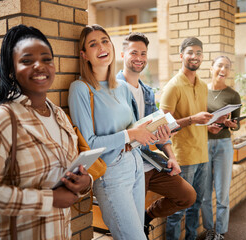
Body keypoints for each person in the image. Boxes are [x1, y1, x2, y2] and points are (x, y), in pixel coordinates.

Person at [0, 25, 92, 239]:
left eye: (46, 59)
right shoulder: (1, 120)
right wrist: (48, 199)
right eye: (26, 60)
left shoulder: (59, 115)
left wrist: (85, 183)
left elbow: (64, 175)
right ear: (11, 70)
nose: (39, 66)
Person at [68, 25, 157, 240]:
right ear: (84, 55)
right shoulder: (81, 89)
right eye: (93, 44)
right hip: (111, 173)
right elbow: (89, 142)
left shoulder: (123, 88)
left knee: (138, 233)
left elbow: (135, 131)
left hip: (135, 165)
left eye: (105, 40)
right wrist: (131, 135)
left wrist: (154, 133)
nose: (101, 46)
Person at [116, 32, 197, 239]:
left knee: (188, 196)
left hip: (149, 161)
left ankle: (146, 217)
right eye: (134, 52)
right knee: (130, 225)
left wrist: (171, 156)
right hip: (127, 164)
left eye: (143, 53)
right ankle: (138, 225)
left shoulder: (147, 92)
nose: (139, 58)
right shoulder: (113, 89)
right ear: (123, 54)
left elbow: (160, 130)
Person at [160, 37, 213, 240]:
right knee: (177, 209)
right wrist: (191, 119)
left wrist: (212, 124)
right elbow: (162, 126)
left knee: (196, 205)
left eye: (199, 53)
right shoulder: (172, 87)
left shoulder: (203, 86)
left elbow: (200, 118)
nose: (195, 56)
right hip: (183, 157)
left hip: (202, 154)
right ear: (181, 56)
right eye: (190, 52)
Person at [201, 56, 241, 240]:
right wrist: (206, 127)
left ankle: (220, 232)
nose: (223, 69)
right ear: (211, 68)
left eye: (227, 66)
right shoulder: (201, 91)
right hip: (203, 144)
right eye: (219, 65)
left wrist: (232, 124)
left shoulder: (233, 95)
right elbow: (195, 119)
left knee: (223, 192)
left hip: (224, 145)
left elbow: (237, 123)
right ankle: (209, 229)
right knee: (205, 193)